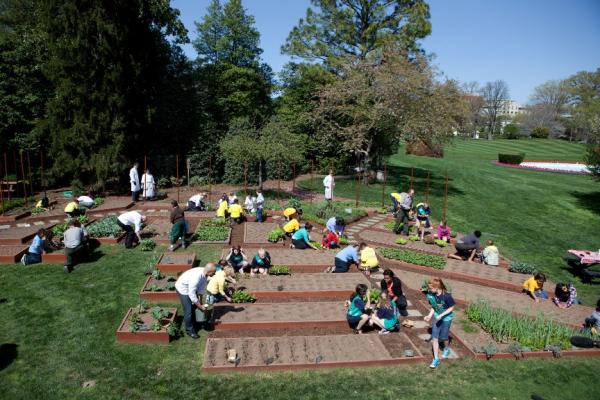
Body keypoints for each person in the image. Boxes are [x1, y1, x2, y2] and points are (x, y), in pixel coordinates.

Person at [175, 263, 216, 338]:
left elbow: (201, 288)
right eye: (214, 272)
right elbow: (192, 295)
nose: (214, 273)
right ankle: (189, 330)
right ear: (209, 271)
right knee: (189, 310)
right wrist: (200, 306)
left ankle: (198, 322)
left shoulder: (204, 274)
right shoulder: (196, 277)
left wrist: (200, 302)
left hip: (191, 287)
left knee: (195, 306)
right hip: (183, 288)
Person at [424, 277, 456, 369]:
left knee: (444, 337)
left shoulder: (447, 296)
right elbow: (434, 306)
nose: (429, 290)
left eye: (430, 288)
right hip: (437, 317)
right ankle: (436, 359)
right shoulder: (431, 295)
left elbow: (452, 308)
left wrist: (442, 315)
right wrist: (429, 316)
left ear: (437, 287)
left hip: (446, 318)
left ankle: (446, 349)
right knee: (435, 338)